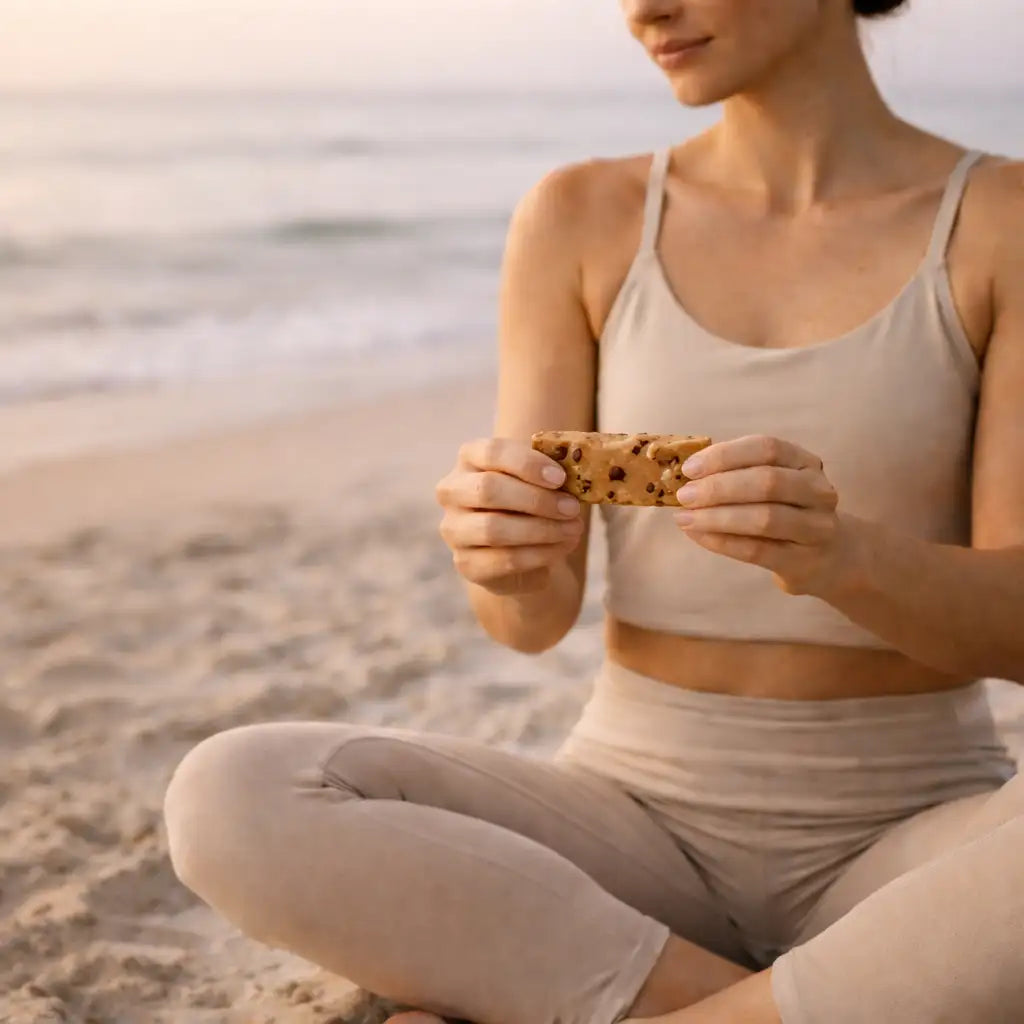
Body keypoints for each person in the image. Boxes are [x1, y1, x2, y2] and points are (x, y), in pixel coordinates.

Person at [162, 1, 1024, 1021]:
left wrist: (840, 557)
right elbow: (526, 625)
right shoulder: (582, 216)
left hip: (914, 847)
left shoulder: (999, 223)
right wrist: (506, 562)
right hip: (627, 836)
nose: (641, 10)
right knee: (233, 792)